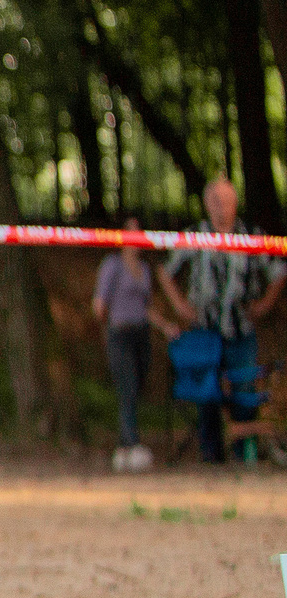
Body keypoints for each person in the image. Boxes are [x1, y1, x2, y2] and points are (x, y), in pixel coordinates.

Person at [157, 177, 284, 465]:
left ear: (235, 202)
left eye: (225, 200)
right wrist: (180, 304)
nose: (220, 207)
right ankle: (211, 455)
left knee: (244, 392)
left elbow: (279, 271)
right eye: (214, 201)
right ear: (205, 204)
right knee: (207, 393)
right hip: (204, 332)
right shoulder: (194, 235)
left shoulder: (252, 235)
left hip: (242, 331)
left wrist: (264, 304)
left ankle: (244, 454)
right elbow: (165, 271)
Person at [93, 219, 159, 472]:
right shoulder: (112, 265)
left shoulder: (144, 269)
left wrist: (165, 327)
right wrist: (105, 328)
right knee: (127, 387)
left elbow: (147, 307)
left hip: (141, 334)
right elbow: (100, 303)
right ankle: (132, 443)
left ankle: (124, 447)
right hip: (119, 333)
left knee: (137, 386)